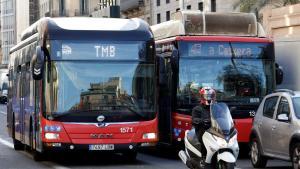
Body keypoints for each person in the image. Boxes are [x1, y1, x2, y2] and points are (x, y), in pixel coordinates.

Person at [191, 86, 216, 158]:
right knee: (203, 138)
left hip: (215, 130)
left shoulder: (216, 107)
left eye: (211, 96)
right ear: (202, 97)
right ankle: (203, 156)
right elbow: (194, 119)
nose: (208, 98)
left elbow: (222, 115)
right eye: (206, 96)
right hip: (203, 130)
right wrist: (200, 121)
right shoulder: (197, 109)